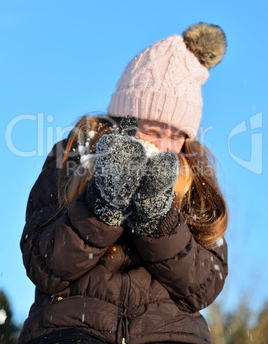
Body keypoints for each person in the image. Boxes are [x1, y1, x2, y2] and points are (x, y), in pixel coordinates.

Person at [19, 22, 229, 344]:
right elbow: (43, 262)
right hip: (72, 327)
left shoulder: (194, 177)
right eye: (153, 130)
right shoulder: (75, 154)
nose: (163, 147)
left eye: (176, 135)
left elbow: (202, 285)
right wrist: (100, 206)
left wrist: (159, 221)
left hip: (171, 332)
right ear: (125, 122)